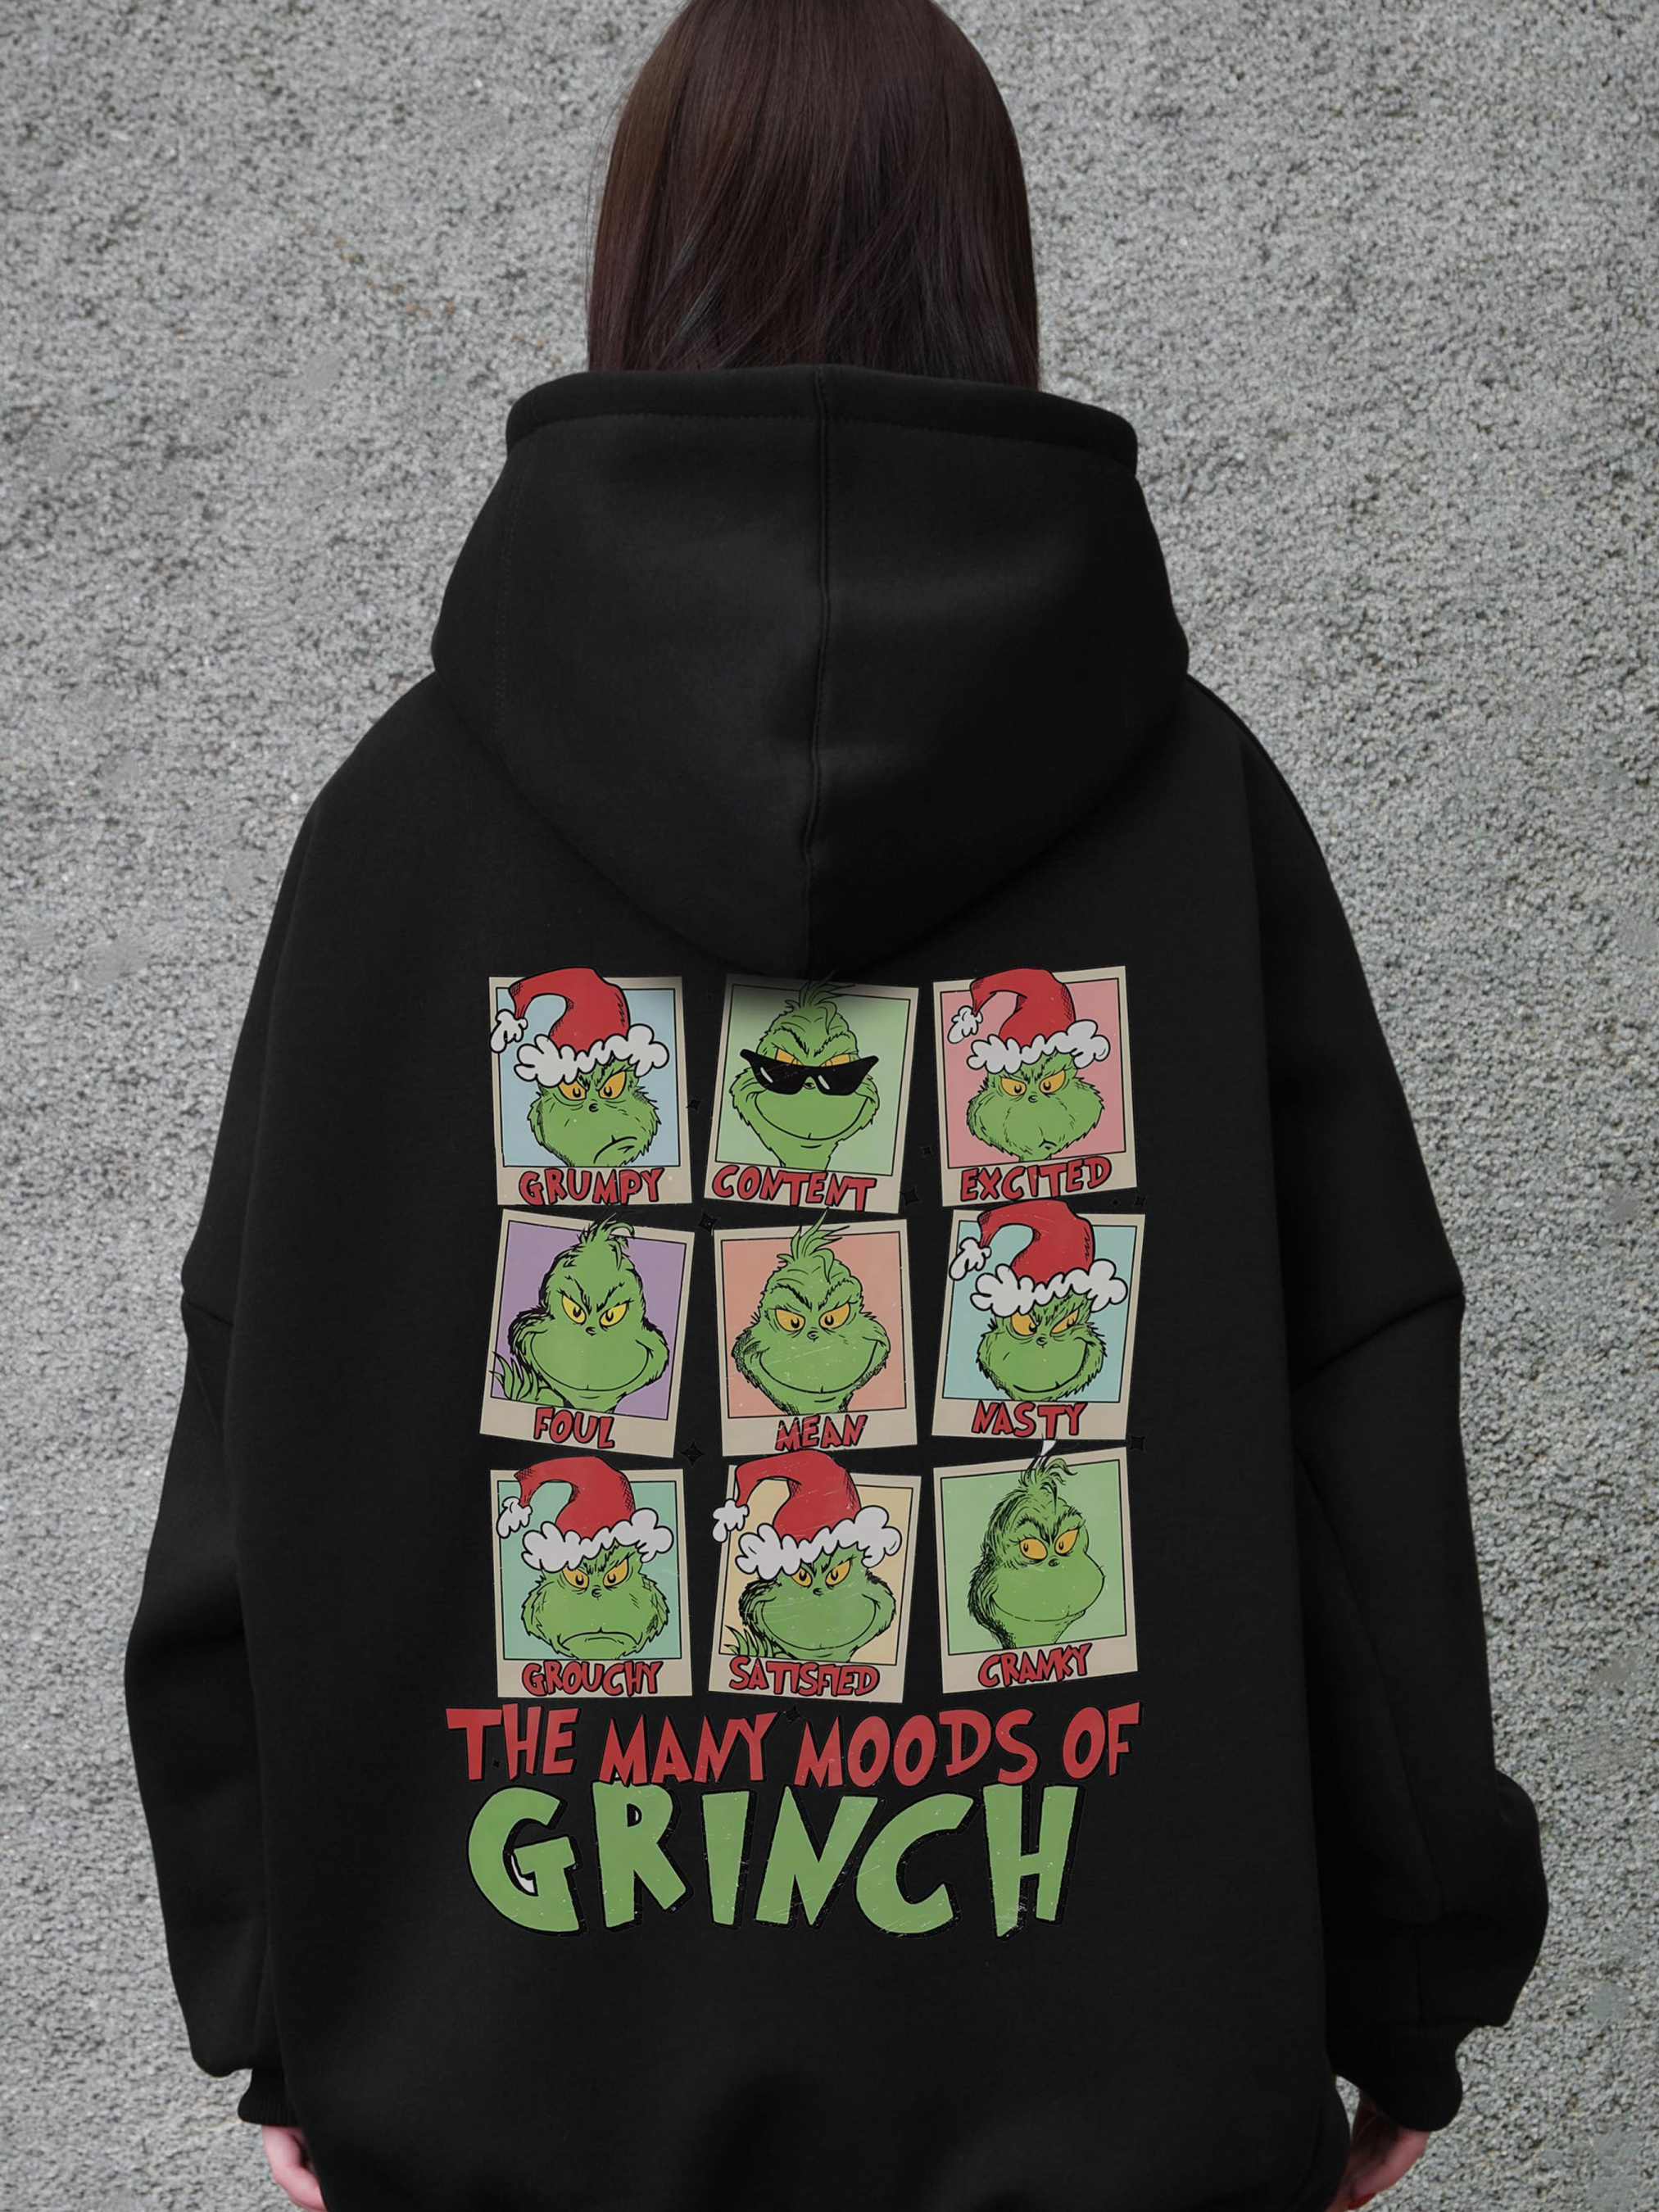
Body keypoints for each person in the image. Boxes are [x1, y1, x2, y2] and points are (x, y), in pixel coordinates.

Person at [125, 4, 1548, 2210]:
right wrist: (1409, 1977)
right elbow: (1360, 1441)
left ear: (636, 265)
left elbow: (253, 1446)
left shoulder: (396, 831)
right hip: (1118, 2114)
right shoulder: (1197, 817)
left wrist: (276, 2004)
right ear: (990, 271)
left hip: (515, 2118)